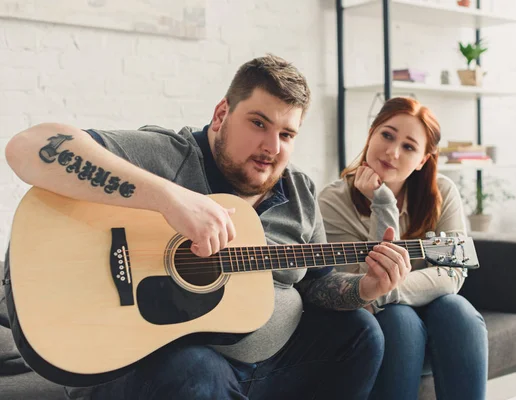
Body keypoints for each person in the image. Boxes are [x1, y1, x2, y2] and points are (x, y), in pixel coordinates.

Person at [5, 55, 413, 400]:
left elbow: (315, 285)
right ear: (222, 115)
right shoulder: (168, 156)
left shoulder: (299, 190)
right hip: (149, 366)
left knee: (362, 332)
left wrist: (364, 289)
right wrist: (169, 199)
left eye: (286, 134)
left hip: (265, 368)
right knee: (196, 368)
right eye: (258, 123)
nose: (272, 147)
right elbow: (28, 148)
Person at [318, 97, 489, 400]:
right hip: (372, 316)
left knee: (458, 310)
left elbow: (453, 272)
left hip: (423, 302)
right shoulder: (332, 202)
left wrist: (388, 289)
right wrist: (382, 202)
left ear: (423, 159)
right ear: (371, 133)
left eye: (409, 147)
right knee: (399, 320)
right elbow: (357, 284)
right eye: (387, 135)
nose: (392, 152)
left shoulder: (442, 193)